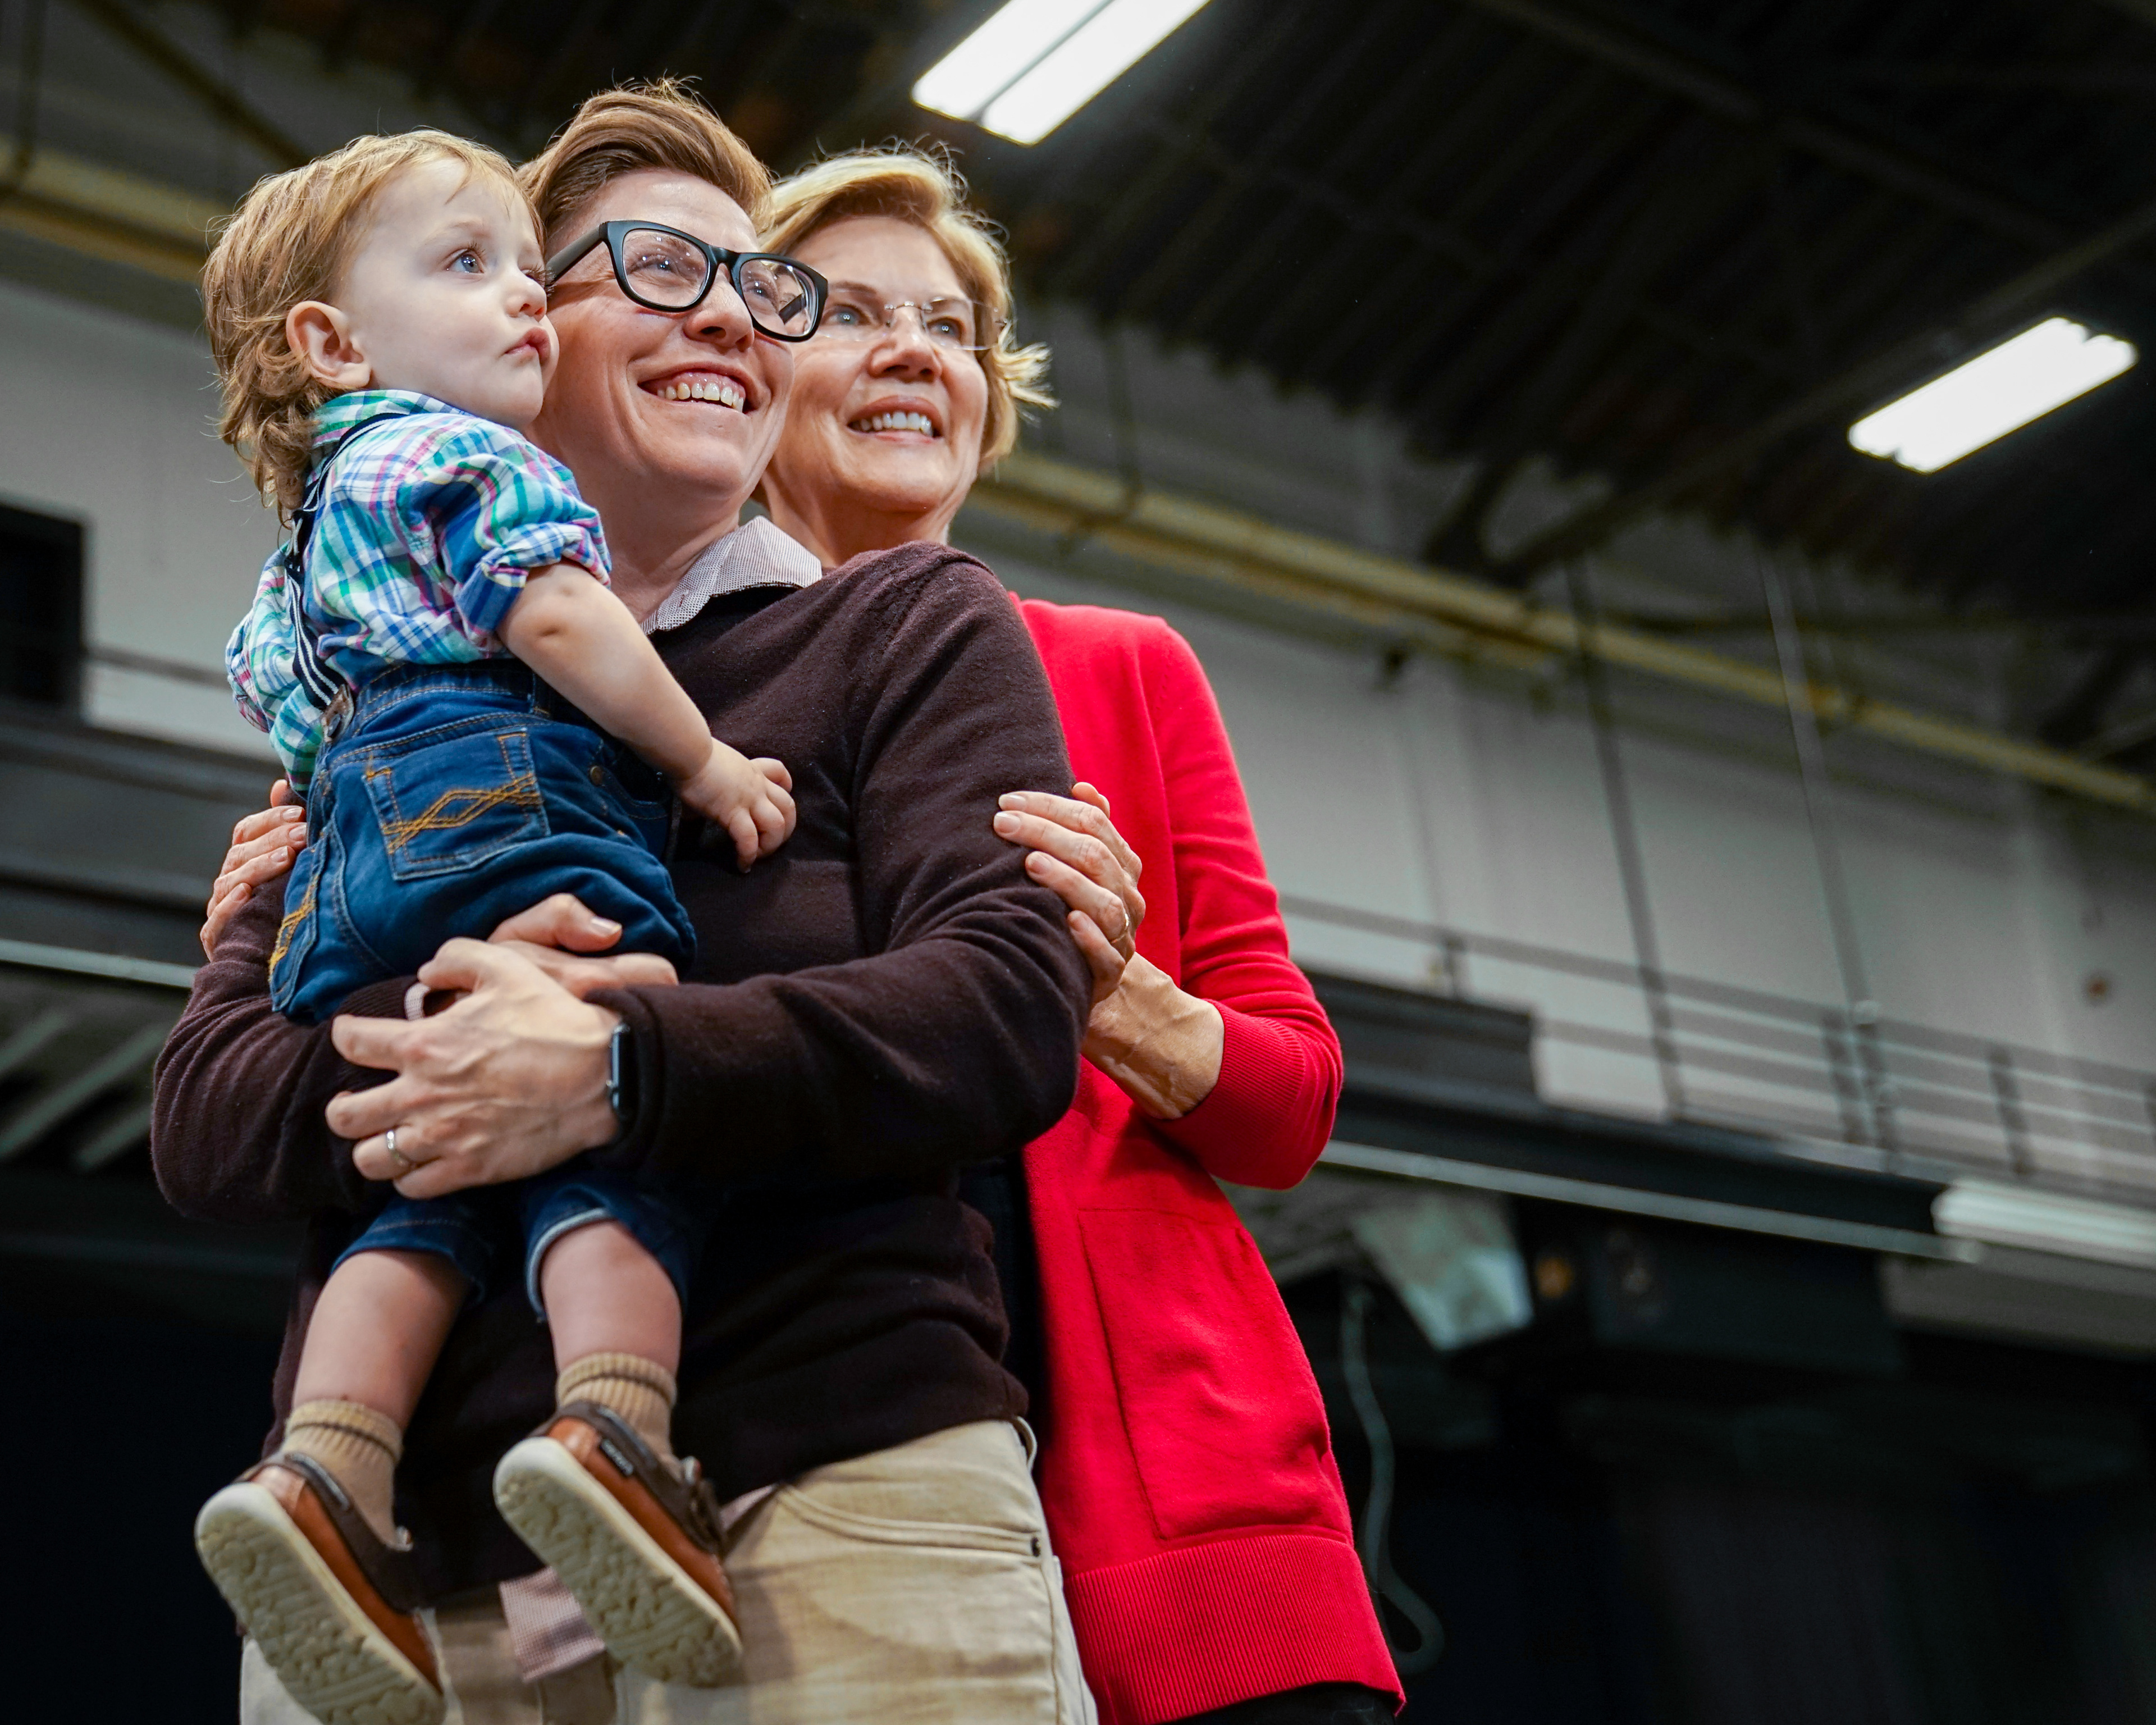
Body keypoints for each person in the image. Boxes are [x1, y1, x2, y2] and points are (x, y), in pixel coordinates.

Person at [158, 83, 1097, 1725]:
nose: (733, 314)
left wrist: (614, 1072)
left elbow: (1008, 1010)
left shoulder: (902, 628)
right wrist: (463, 1062)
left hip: (826, 1505)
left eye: (763, 288)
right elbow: (212, 1121)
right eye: (658, 266)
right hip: (400, 1594)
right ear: (526, 317)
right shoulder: (375, 699)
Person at [755, 153, 1404, 1725]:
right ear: (738, 370)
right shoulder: (669, 700)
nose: (917, 349)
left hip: (1189, 1521)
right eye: (848, 313)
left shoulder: (1122, 668)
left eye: (951, 323)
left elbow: (1290, 1102)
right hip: (835, 1506)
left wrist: (1110, 996)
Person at [191, 127, 819, 1725]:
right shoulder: (473, 457)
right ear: (331, 343)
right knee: (610, 1098)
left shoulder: (304, 543)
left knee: (427, 1173)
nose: (523, 306)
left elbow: (306, 730)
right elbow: (553, 614)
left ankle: (330, 1470)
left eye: (531, 275)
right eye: (470, 268)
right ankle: (615, 1430)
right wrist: (703, 759)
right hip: (510, 804)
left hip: (354, 881)